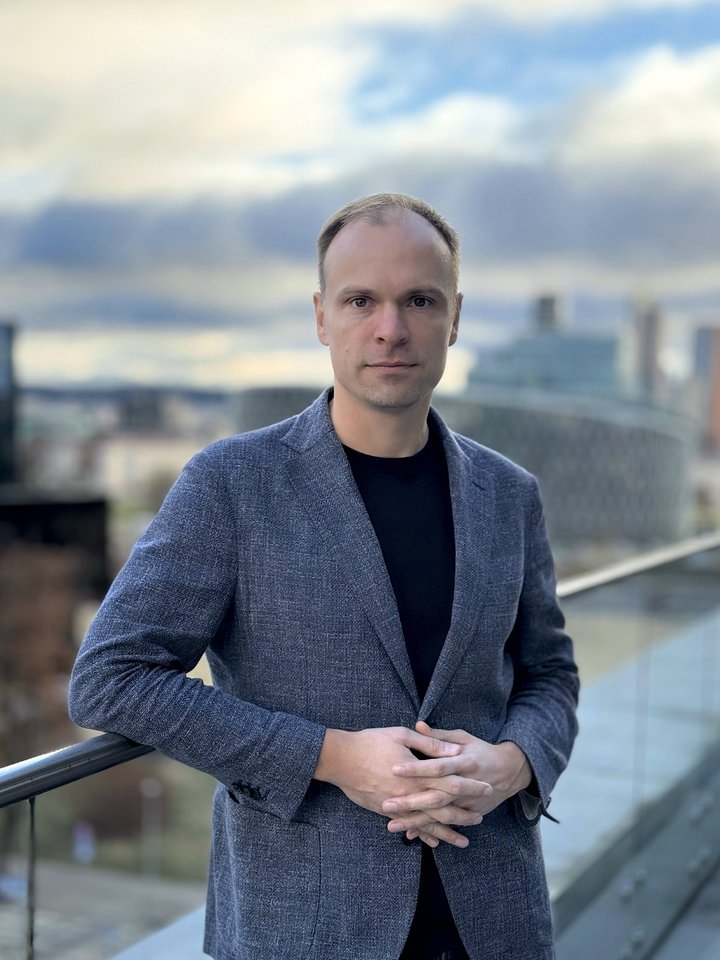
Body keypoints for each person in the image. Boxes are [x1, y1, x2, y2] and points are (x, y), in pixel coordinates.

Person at [68, 193, 579, 960]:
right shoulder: (231, 484)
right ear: (321, 317)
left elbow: (550, 674)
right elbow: (109, 678)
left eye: (419, 300)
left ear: (455, 318)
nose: (390, 328)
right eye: (361, 300)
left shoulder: (509, 494)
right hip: (303, 927)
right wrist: (332, 757)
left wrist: (515, 764)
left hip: (495, 921)